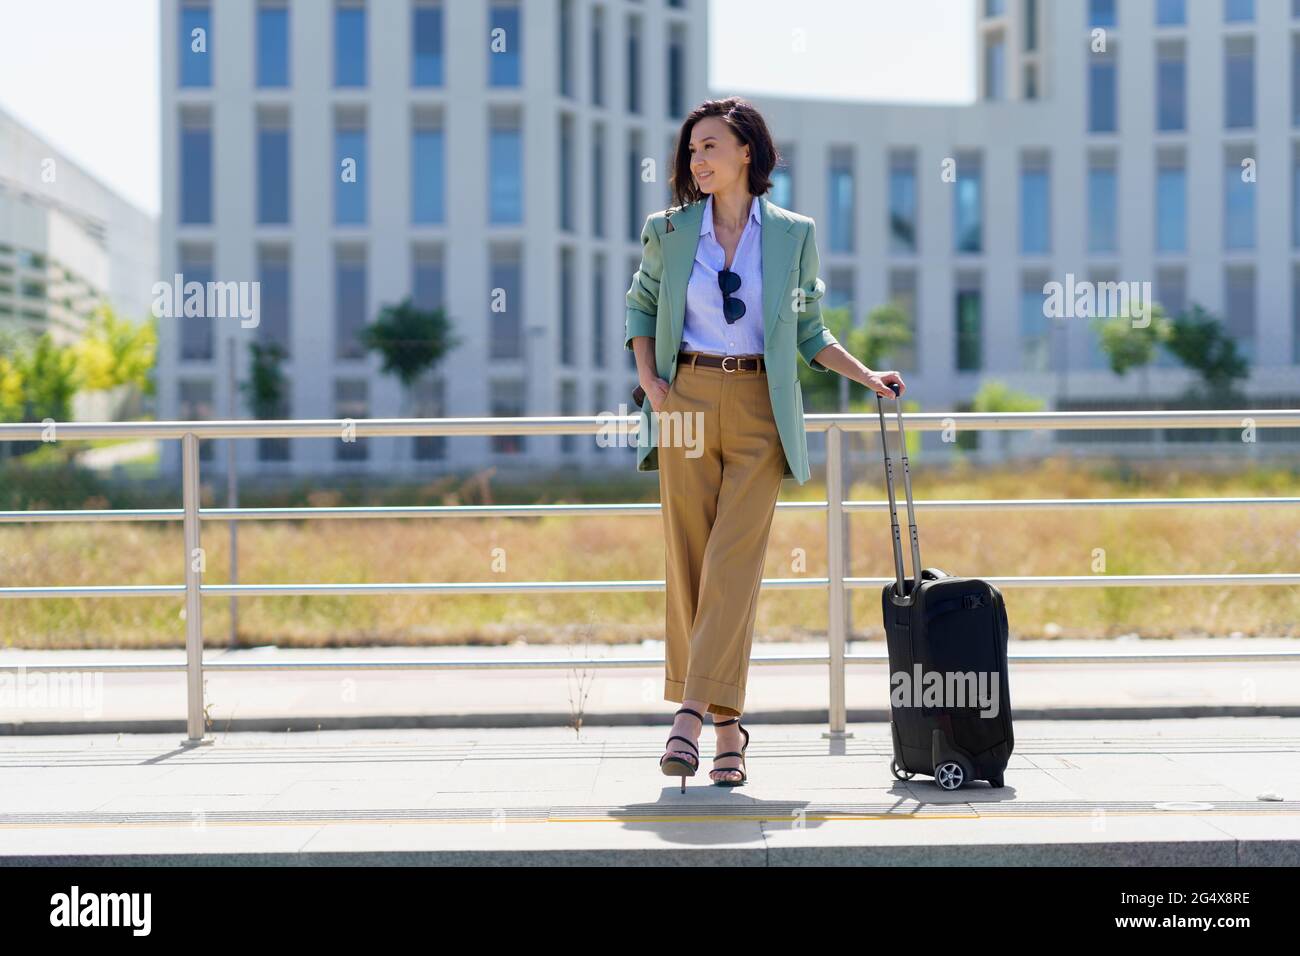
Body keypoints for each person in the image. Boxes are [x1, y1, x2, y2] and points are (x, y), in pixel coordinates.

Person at [624, 96, 907, 789]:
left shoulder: (791, 234)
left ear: (747, 151)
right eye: (692, 150)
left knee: (732, 562)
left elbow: (809, 328)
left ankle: (689, 713)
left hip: (759, 405)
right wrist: (652, 385)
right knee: (691, 563)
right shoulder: (668, 229)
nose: (698, 160)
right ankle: (729, 734)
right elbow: (639, 304)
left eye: (711, 146)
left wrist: (865, 373)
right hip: (685, 397)